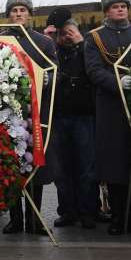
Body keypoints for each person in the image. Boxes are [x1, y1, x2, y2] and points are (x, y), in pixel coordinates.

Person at [84, 0, 131, 235]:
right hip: (110, 108)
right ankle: (117, 217)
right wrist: (117, 82)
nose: (120, 10)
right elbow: (93, 70)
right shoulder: (95, 38)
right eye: (115, 7)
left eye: (123, 6)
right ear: (106, 12)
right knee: (114, 165)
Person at [0, 0, 57, 235]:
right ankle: (15, 218)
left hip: (36, 111)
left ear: (30, 15)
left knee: (36, 165)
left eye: (23, 10)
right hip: (7, 111)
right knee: (11, 165)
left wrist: (47, 77)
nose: (19, 14)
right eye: (14, 10)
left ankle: (34, 219)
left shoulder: (42, 41)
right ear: (9, 15)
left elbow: (54, 69)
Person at [50, 17, 97, 229]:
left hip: (84, 115)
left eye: (70, 32)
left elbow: (94, 70)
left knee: (86, 166)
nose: (66, 37)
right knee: (62, 169)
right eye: (62, 33)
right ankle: (67, 211)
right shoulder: (52, 51)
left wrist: (80, 43)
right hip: (59, 116)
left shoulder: (87, 49)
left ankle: (88, 211)